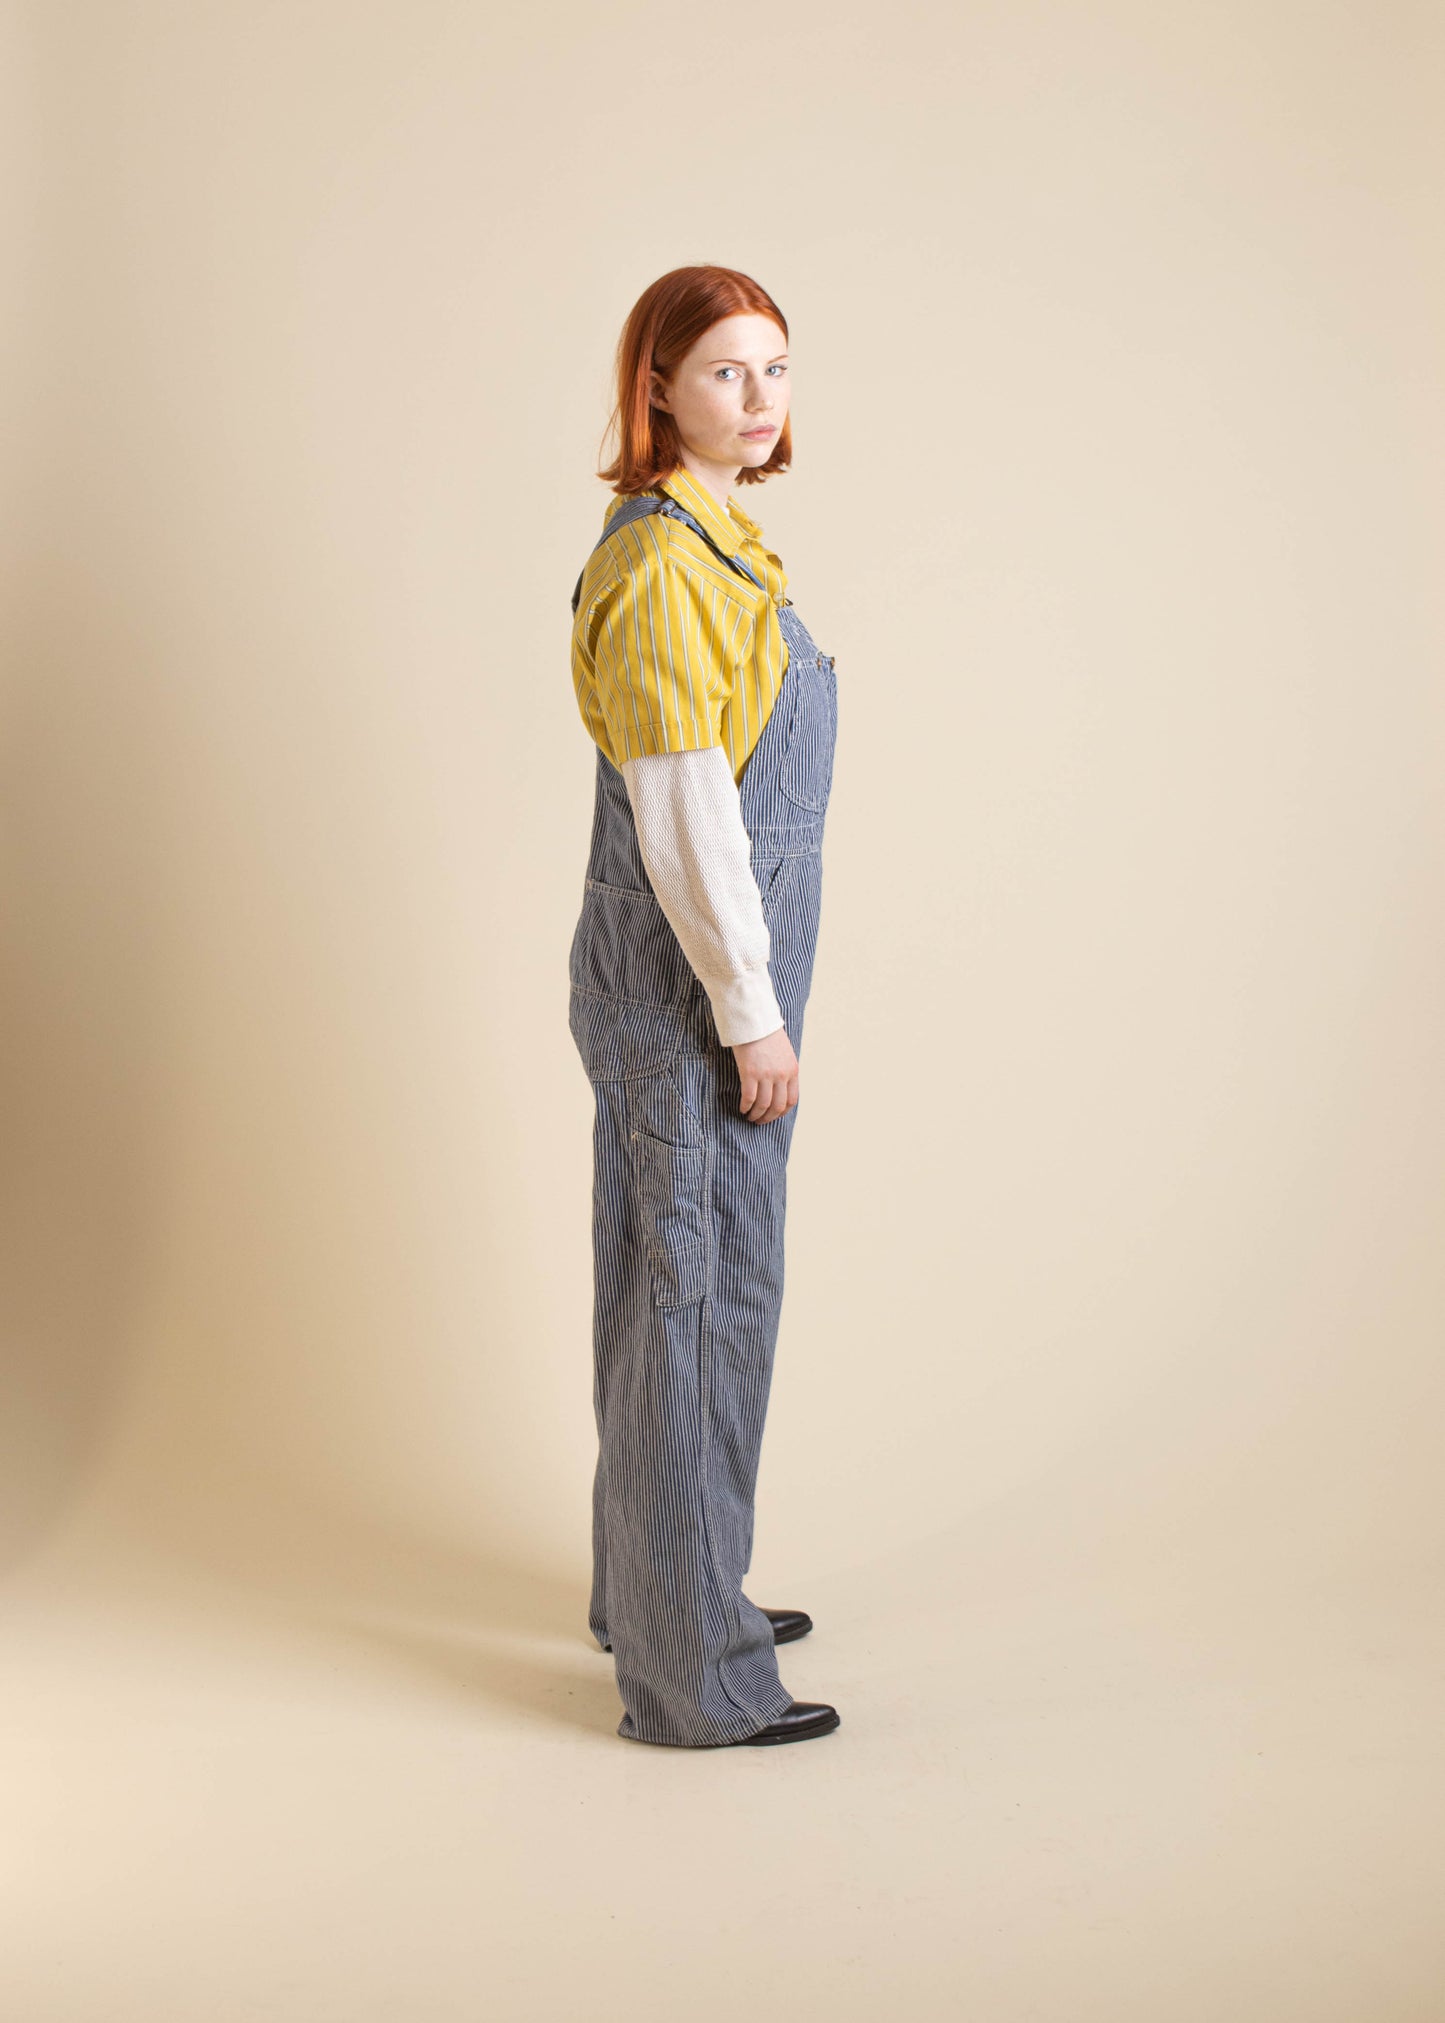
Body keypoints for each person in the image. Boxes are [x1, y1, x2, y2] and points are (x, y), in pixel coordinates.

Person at [567, 264, 840, 1748]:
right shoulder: (666, 568)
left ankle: (666, 1591)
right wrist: (749, 1012)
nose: (758, 397)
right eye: (727, 371)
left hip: (693, 982)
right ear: (658, 388)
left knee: (676, 1290)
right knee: (694, 1298)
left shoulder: (719, 544)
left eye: (775, 368)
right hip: (687, 993)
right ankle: (694, 1678)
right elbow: (684, 820)